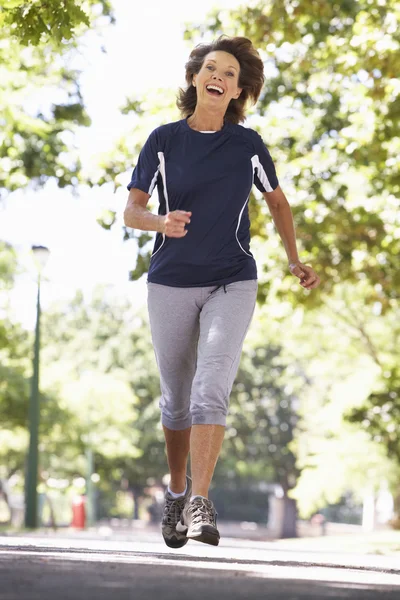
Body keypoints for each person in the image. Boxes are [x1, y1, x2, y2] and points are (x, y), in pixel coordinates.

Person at [124, 35, 320, 548]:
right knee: (176, 402)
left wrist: (294, 259)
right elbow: (132, 211)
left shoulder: (247, 145)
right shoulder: (163, 140)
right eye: (211, 68)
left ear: (238, 91)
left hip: (233, 278)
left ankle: (200, 501)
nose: (219, 76)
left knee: (212, 385)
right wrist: (160, 222)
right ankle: (175, 491)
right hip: (170, 280)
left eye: (230, 73)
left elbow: (277, 203)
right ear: (195, 79)